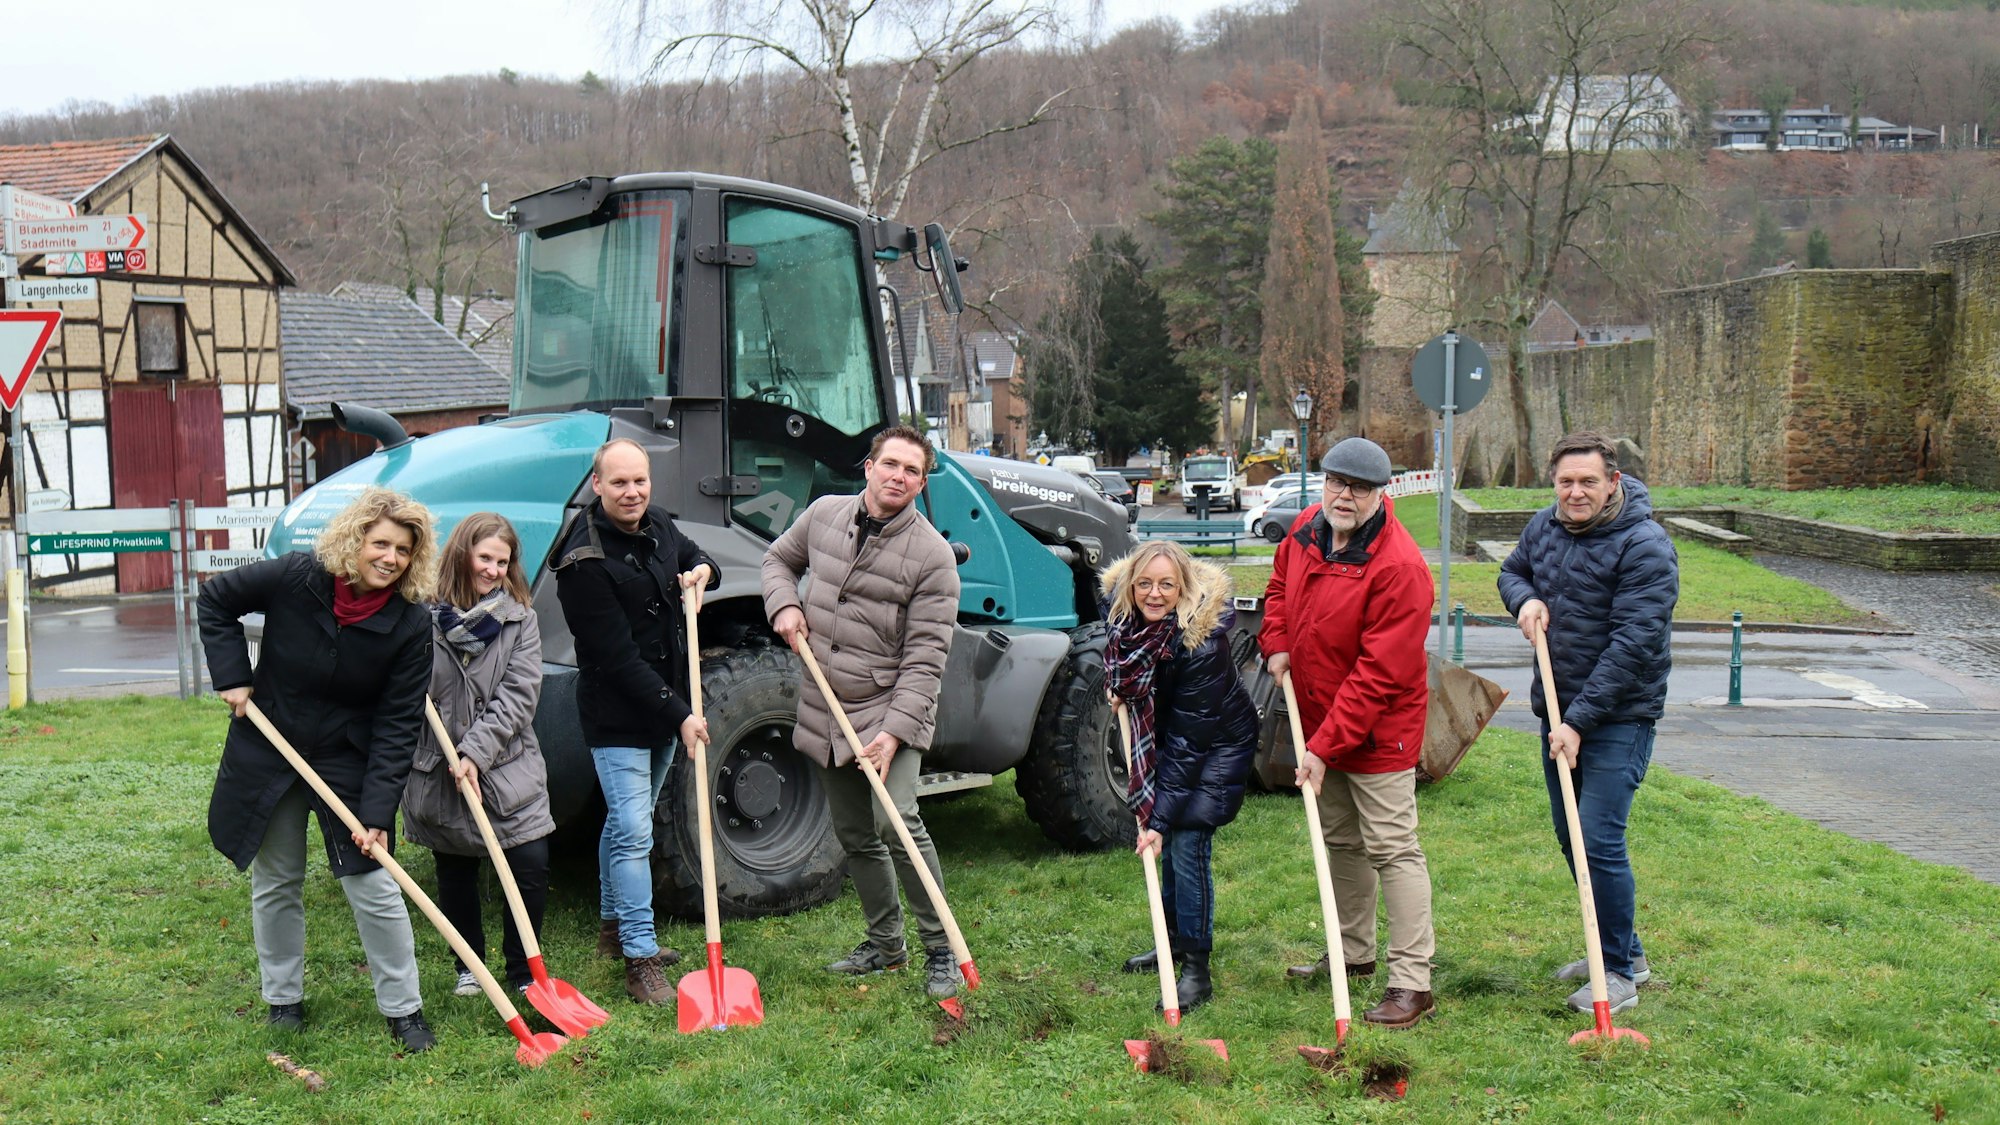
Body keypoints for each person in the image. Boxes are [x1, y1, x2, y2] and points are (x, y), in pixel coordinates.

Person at [198, 486, 440, 1052]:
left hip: (346, 759)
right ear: (354, 539)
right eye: (380, 543)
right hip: (271, 741)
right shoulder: (295, 576)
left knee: (373, 885)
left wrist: (376, 812)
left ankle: (404, 1011)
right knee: (277, 878)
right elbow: (216, 600)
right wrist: (233, 674)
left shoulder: (409, 625)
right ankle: (283, 1000)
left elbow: (399, 724)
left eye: (403, 550)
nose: (390, 558)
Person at [760, 425, 963, 999]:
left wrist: (895, 735)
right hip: (826, 704)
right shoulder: (824, 513)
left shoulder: (932, 557)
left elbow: (926, 661)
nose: (899, 477)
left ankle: (942, 949)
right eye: (890, 464)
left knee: (898, 824)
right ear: (869, 467)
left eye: (912, 471)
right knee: (855, 832)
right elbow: (778, 559)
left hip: (893, 706)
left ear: (922, 484)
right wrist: (785, 606)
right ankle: (885, 944)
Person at [1497, 431, 1677, 1016]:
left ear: (1613, 483)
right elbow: (1512, 571)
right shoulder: (1544, 526)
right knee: (1570, 834)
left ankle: (1619, 973)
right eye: (1566, 482)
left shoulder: (1645, 546)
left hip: (1618, 715)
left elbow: (1632, 646)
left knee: (1598, 837)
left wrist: (1577, 721)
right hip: (1559, 710)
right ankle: (1622, 949)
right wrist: (1523, 599)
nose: (1575, 493)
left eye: (1588, 482)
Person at [1263, 437, 1439, 1030]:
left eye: (1359, 488)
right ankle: (1352, 955)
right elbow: (1281, 590)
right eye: (1336, 482)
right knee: (1341, 840)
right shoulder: (1310, 527)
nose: (1344, 495)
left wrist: (1321, 749)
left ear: (1379, 495)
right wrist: (1277, 642)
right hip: (1319, 716)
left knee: (1392, 847)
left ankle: (1412, 983)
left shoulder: (1400, 568)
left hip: (1379, 729)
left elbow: (1378, 675)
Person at [552, 438, 718, 1005]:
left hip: (665, 702)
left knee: (631, 820)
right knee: (634, 830)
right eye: (619, 483)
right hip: (620, 712)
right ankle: (640, 957)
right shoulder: (583, 563)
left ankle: (611, 927)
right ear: (596, 485)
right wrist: (683, 716)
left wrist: (701, 572)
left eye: (640, 481)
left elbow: (697, 554)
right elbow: (617, 660)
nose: (632, 492)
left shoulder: (659, 523)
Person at [401, 513, 552, 999]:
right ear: (463, 554)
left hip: (507, 767)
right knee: (455, 868)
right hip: (439, 767)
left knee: (530, 864)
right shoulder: (421, 618)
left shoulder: (520, 620)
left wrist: (475, 751)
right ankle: (469, 967)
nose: (492, 569)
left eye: (502, 562)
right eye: (485, 557)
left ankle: (522, 970)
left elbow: (520, 695)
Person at [1102, 541, 1258, 1013]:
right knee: (1168, 844)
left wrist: (1157, 818)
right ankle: (1169, 943)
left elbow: (1190, 746)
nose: (1154, 594)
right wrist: (1121, 691)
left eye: (1166, 584)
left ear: (1183, 588)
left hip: (1214, 745)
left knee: (1185, 843)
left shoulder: (1202, 643)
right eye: (1145, 583)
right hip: (1174, 739)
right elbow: (1127, 673)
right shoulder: (1124, 625)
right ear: (1130, 585)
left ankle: (1196, 968)